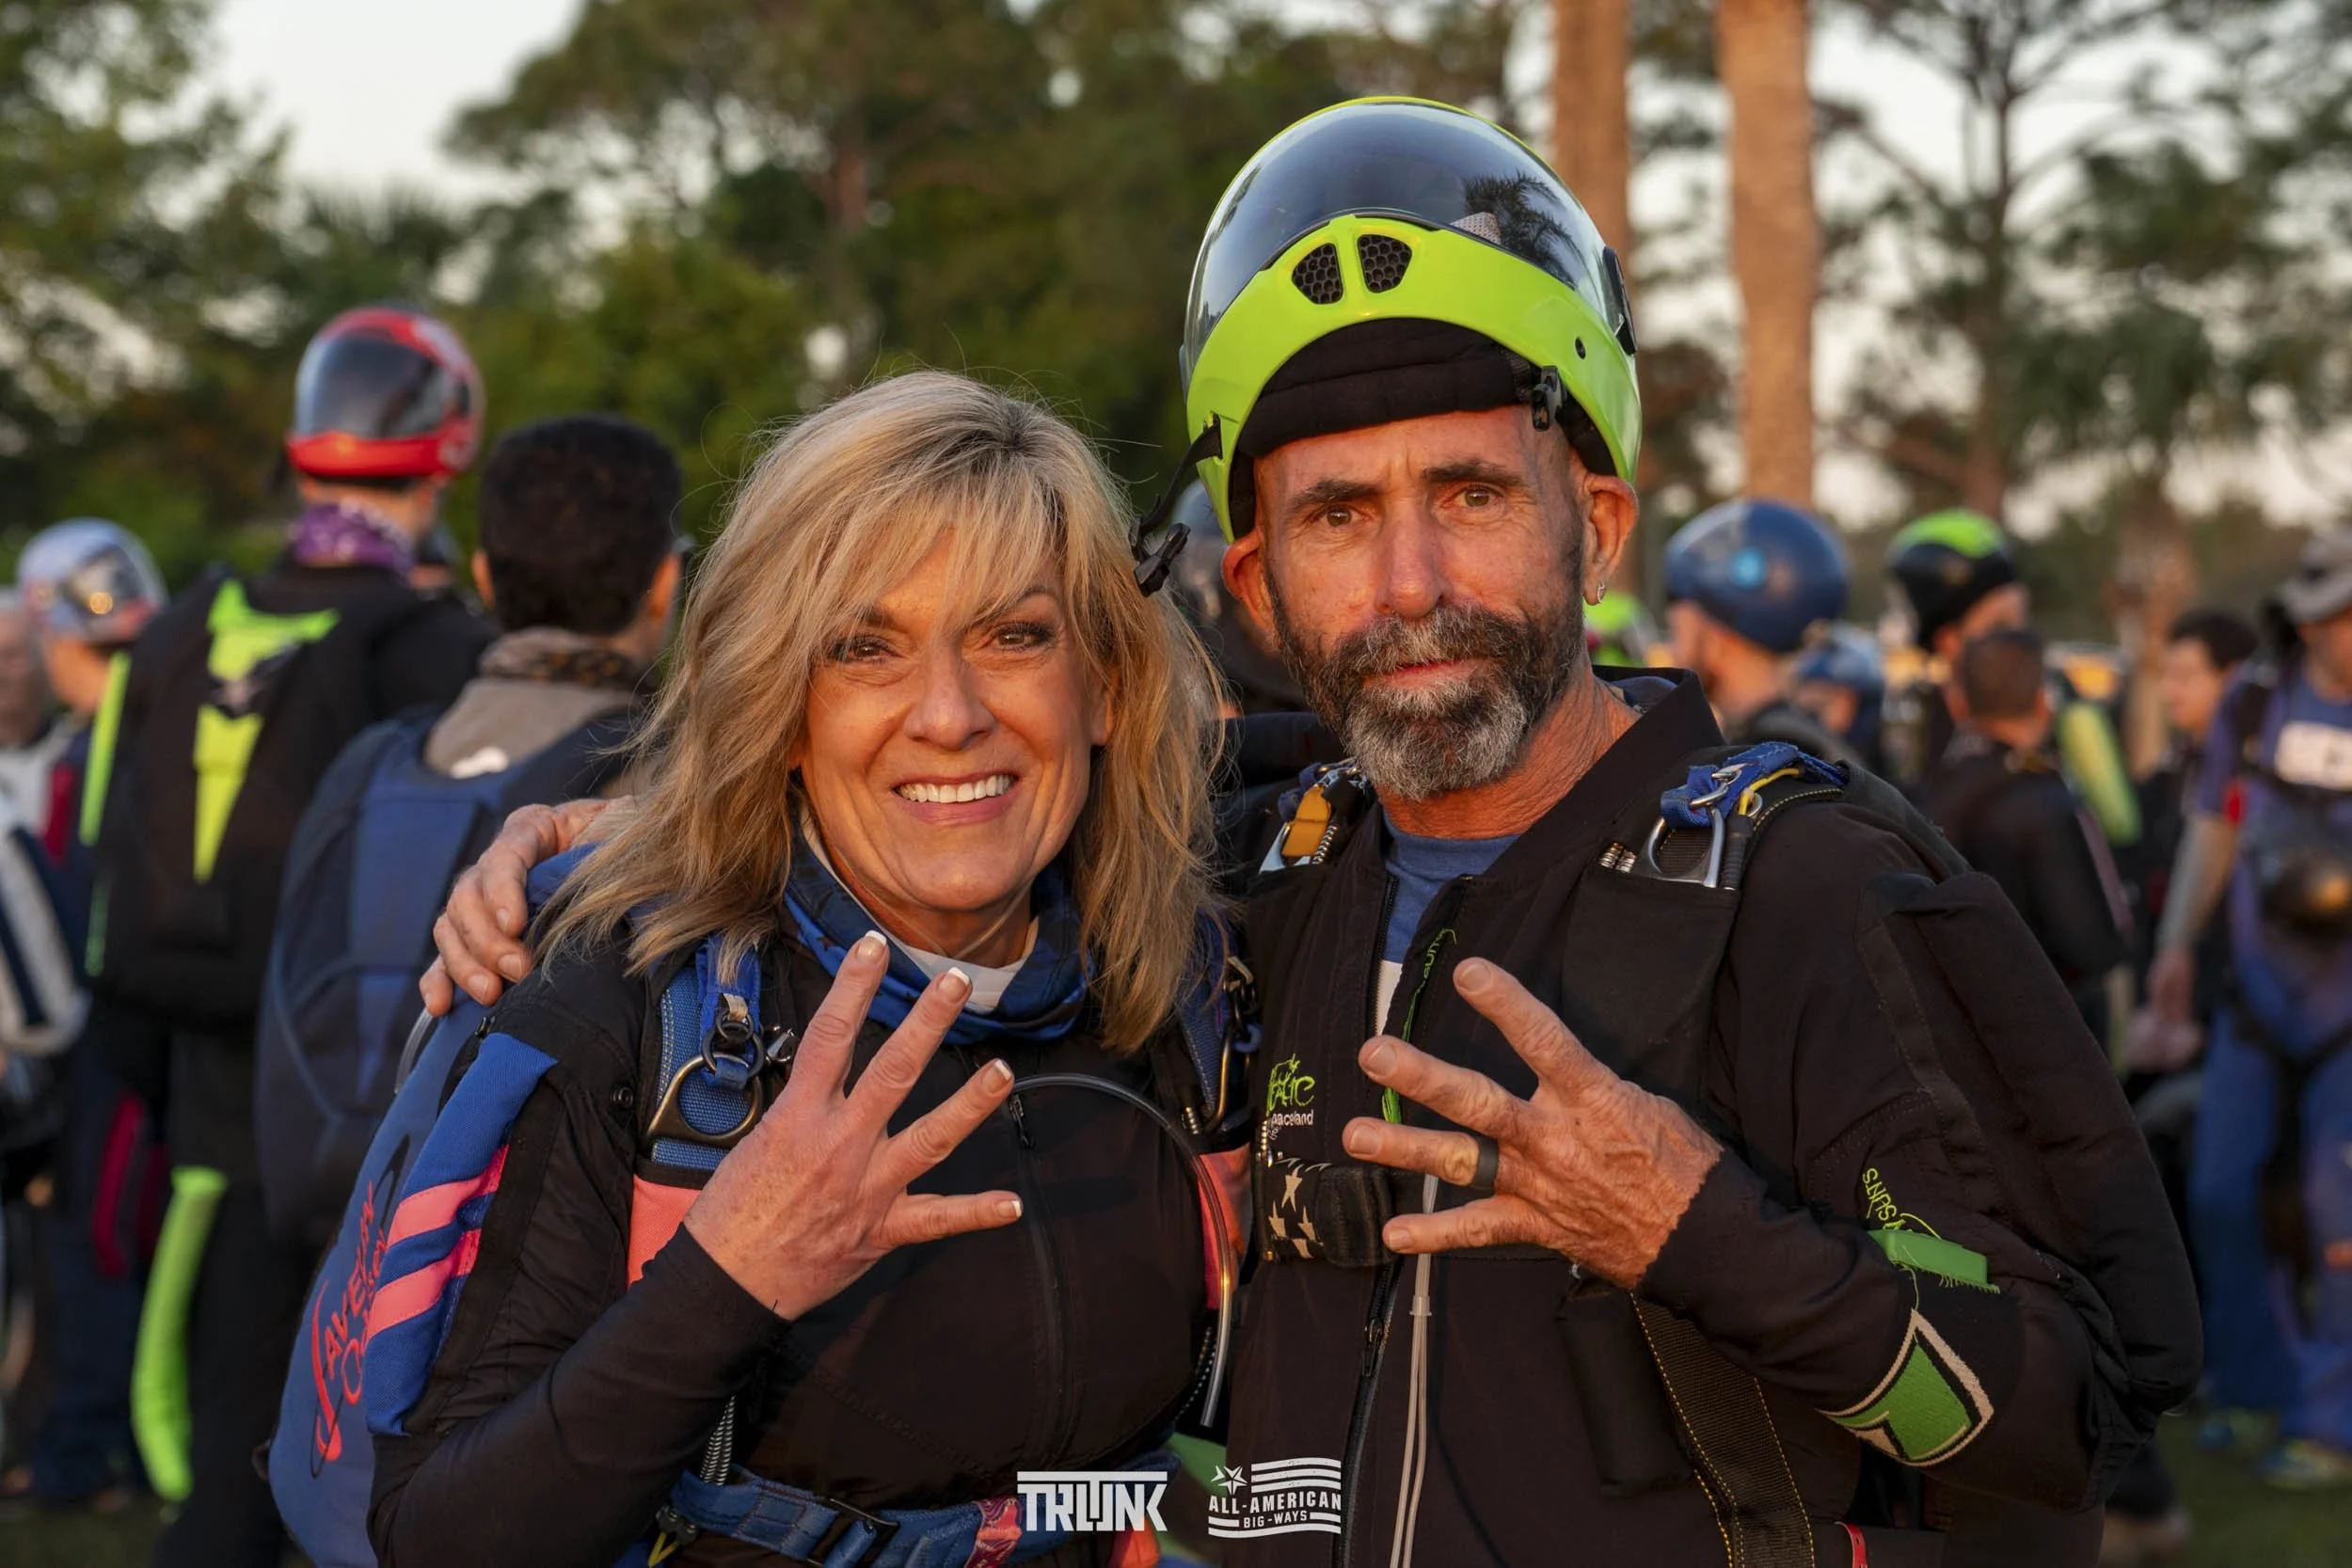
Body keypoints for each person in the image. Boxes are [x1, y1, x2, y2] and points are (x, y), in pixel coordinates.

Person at [430, 100, 2199, 1567]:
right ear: (1259, 577)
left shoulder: (1805, 891)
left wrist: (1696, 1228)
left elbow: (2046, 1437)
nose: (1413, 583)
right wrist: (626, 827)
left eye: (1472, 496)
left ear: (1593, 513)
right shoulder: (1250, 880)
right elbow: (951, 768)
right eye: (1341, 515)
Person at [361, 372, 1243, 1568]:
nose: (950, 711)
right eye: (866, 647)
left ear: (1105, 683)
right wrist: (730, 1274)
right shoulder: (622, 1011)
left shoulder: (1195, 989)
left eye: (1015, 634)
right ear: (783, 707)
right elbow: (434, 1537)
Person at [82, 303, 494, 1568]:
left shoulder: (179, 625)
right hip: (366, 1128)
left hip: (204, 1119)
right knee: (355, 1481)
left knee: (227, 1464)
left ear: (304, 437)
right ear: (451, 443)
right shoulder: (431, 645)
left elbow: (105, 866)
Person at [252, 414, 684, 1256]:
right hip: (507, 1259)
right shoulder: (660, 777)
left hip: (333, 1225)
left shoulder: (378, 755)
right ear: (665, 582)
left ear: (484, 577)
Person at [2146, 531, 2352, 1489]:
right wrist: (2178, 947)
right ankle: (2250, 1386)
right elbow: (2209, 830)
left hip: (2346, 1015)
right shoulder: (2258, 699)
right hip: (2253, 1000)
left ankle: (2327, 1417)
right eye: (2326, 609)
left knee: (2335, 1212)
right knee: (2222, 1193)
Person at [1, 521, 168, 1512]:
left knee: (105, 1239)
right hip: (117, 1038)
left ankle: (93, 1456)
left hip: (121, 1038)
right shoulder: (119, 738)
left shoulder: (114, 746)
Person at [1917, 629, 2131, 1037]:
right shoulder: (2051, 802)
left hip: (1953, 1034)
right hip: (2045, 1041)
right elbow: (2096, 944)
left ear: (1959, 703)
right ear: (2043, 702)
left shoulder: (1929, 794)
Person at [1661, 497, 1855, 763]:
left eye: (1676, 632)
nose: (1671, 652)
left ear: (1718, 640)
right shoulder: (1804, 749)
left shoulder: (1762, 762)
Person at [1792, 626, 1887, 774]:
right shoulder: (1796, 764)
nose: (1813, 713)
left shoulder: (1877, 783)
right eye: (1809, 703)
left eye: (1825, 701)